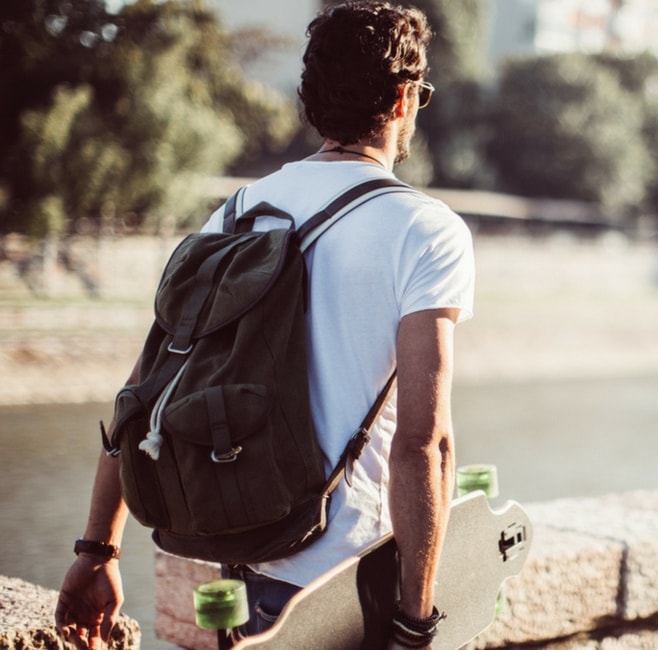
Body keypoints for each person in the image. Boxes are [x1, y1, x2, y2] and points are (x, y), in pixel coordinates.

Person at [55, 2, 474, 648]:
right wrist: (416, 623)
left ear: (311, 104)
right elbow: (425, 442)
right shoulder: (426, 231)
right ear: (401, 98)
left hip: (242, 568)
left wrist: (98, 550)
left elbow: (141, 391)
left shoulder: (241, 209)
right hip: (344, 589)